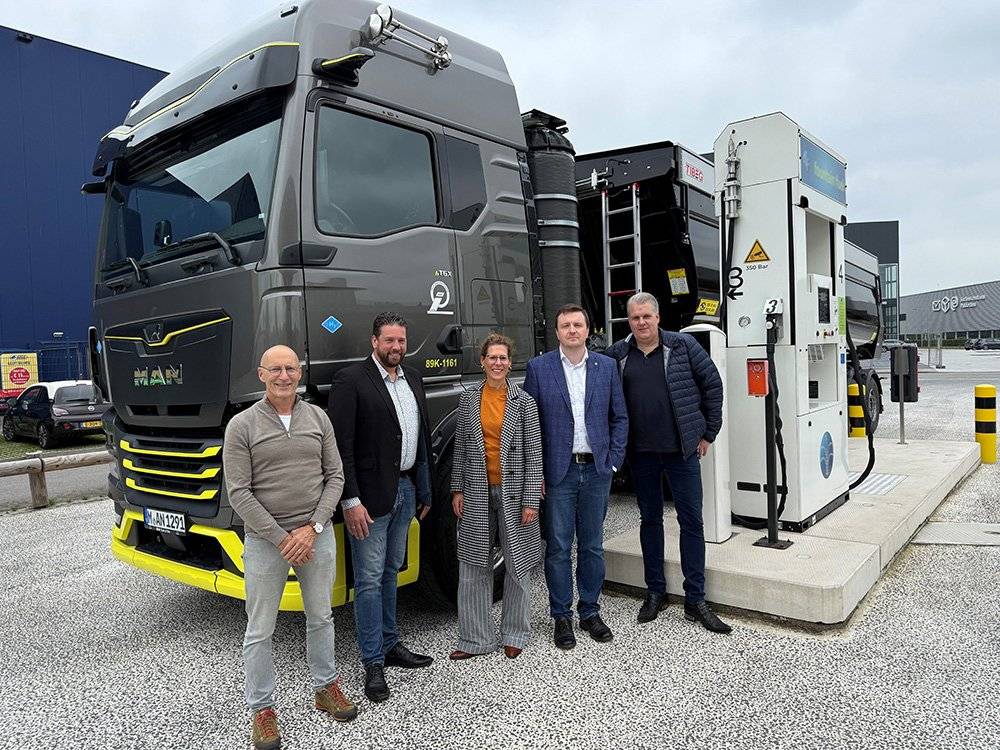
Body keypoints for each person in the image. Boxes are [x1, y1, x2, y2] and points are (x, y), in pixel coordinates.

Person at [224, 345, 356, 750]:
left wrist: (313, 527)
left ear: (300, 373)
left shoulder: (318, 418)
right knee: (259, 629)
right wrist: (284, 538)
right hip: (267, 542)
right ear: (261, 375)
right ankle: (262, 711)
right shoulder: (241, 426)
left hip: (315, 535)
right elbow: (239, 493)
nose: (284, 376)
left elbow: (335, 476)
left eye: (290, 369)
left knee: (321, 617)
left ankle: (325, 687)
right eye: (275, 369)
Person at [605, 292, 731, 633]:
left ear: (658, 317)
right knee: (650, 521)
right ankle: (655, 592)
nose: (642, 323)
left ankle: (696, 600)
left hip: (682, 452)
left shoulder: (684, 346)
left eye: (647, 316)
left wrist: (707, 433)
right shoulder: (617, 354)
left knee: (692, 523)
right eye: (635, 318)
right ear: (628, 321)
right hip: (641, 454)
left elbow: (713, 386)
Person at [328, 312, 434, 703]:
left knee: (391, 572)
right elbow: (340, 449)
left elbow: (420, 440)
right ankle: (372, 661)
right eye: (389, 341)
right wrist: (350, 500)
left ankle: (391, 645)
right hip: (368, 501)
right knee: (369, 581)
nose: (396, 348)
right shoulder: (351, 381)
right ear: (374, 341)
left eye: (401, 341)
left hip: (405, 491)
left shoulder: (414, 378)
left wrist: (424, 490)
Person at [523, 303, 629, 649]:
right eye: (565, 325)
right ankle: (561, 617)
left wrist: (612, 461)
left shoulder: (606, 366)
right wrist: (536, 472)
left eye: (578, 324)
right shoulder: (539, 368)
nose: (572, 330)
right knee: (557, 547)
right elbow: (530, 426)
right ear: (557, 332)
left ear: (588, 330)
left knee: (593, 545)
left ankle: (590, 611)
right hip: (559, 472)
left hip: (597, 470)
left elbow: (620, 417)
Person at [449, 333, 543, 660]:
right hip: (476, 490)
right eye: (492, 358)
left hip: (515, 492)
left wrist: (532, 499)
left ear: (510, 362)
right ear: (482, 361)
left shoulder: (524, 402)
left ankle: (515, 632)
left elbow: (534, 454)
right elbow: (460, 448)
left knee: (517, 562)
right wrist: (457, 489)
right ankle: (475, 639)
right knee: (474, 563)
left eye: (503, 358)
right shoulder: (468, 399)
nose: (498, 363)